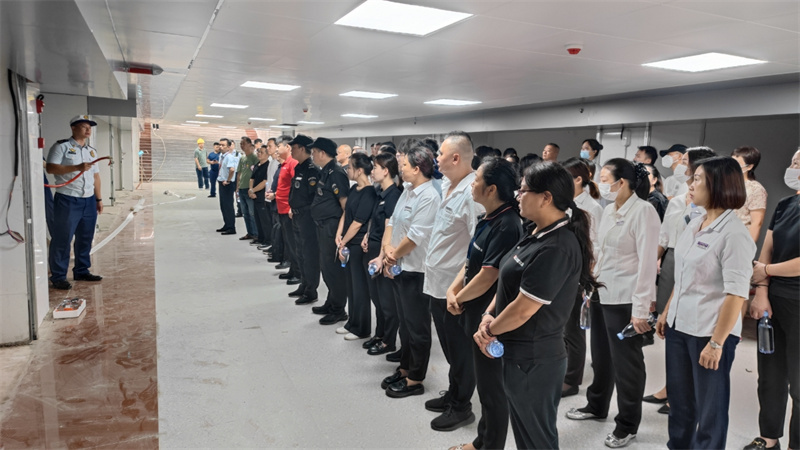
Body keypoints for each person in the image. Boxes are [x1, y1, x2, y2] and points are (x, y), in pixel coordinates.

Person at [473, 161, 600, 450]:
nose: (517, 196)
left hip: (535, 360)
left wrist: (489, 330)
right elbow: (508, 281)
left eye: (523, 190)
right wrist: (488, 314)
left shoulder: (557, 246)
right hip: (518, 354)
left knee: (537, 440)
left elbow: (523, 309)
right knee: (526, 436)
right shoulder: (535, 231)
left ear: (546, 197)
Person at [655, 156, 755, 449]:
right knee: (680, 403)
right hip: (680, 325)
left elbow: (736, 294)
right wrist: (667, 311)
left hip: (710, 332)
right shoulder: (696, 222)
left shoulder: (734, 234)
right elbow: (683, 274)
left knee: (710, 409)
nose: (691, 184)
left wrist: (716, 343)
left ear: (717, 185)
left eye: (697, 179)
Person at [566, 158, 660, 449]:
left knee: (627, 364)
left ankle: (627, 424)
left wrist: (641, 309)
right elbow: (601, 251)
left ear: (622, 182)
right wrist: (590, 283)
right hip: (602, 293)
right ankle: (596, 405)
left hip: (626, 299)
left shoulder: (643, 211)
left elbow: (647, 263)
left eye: (605, 178)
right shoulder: (609, 210)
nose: (601, 183)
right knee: (601, 356)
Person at [446, 157, 522, 450]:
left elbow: (489, 276)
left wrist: (459, 297)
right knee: (486, 387)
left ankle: (490, 445)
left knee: (493, 390)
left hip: (489, 317)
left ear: (491, 189)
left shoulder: (508, 224)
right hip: (472, 308)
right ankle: (482, 442)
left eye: (476, 179)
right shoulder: (487, 219)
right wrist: (454, 290)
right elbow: (471, 263)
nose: (472, 184)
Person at [645, 147, 716, 412]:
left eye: (686, 161)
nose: (681, 165)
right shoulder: (676, 198)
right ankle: (670, 386)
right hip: (673, 258)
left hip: (697, 259)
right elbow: (665, 236)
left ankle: (683, 393)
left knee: (690, 330)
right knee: (670, 327)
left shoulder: (707, 200)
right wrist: (651, 264)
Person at [423, 131, 481, 431]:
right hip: (436, 283)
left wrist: (461, 289)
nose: (437, 158)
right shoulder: (447, 185)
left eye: (441, 154)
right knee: (448, 347)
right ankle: (453, 393)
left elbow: (477, 248)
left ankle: (461, 407)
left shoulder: (472, 194)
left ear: (456, 158)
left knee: (460, 351)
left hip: (454, 289)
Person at [745, 149, 800, 450]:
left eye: (798, 163)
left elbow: (767, 265)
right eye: (792, 161)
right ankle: (769, 438)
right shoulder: (785, 204)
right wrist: (762, 291)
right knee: (770, 375)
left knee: (799, 381)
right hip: (774, 298)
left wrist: (765, 270)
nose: (792, 167)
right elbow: (767, 246)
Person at [381, 145, 441, 399]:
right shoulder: (407, 190)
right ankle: (405, 368)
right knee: (405, 325)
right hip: (399, 266)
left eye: (404, 165)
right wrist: (387, 249)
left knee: (417, 328)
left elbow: (416, 237)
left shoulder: (429, 197)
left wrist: (393, 255)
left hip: (416, 270)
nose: (400, 168)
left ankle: (415, 379)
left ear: (417, 169)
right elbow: (392, 221)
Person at [46, 115, 105, 290]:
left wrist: (98, 199)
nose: (88, 130)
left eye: (90, 127)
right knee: (63, 238)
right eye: (84, 126)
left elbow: (96, 177)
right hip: (68, 199)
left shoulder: (91, 151)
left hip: (88, 200)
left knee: (85, 237)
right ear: (73, 128)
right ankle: (58, 276)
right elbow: (50, 168)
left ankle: (81, 270)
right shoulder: (61, 147)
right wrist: (76, 167)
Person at [560, 157, 603, 398]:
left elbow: (594, 246)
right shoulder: (566, 202)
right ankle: (564, 371)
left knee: (574, 330)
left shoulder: (592, 207)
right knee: (564, 328)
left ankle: (571, 380)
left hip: (579, 273)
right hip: (563, 270)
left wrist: (587, 278)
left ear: (578, 180)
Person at [363, 153, 403, 355]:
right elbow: (375, 221)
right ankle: (379, 334)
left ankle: (389, 340)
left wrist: (381, 257)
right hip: (373, 247)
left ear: (386, 170)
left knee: (387, 301)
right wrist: (367, 235)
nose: (372, 171)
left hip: (382, 252)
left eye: (375, 168)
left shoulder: (393, 195)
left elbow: (389, 229)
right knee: (377, 297)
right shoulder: (380, 192)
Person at [308, 137, 351, 325]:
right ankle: (331, 302)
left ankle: (338, 309)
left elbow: (345, 206)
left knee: (333, 270)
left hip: (332, 227)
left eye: (314, 152)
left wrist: (340, 233)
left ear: (323, 153)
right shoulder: (325, 171)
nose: (312, 156)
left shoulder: (336, 173)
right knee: (325, 267)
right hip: (322, 226)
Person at [336, 153, 378, 340]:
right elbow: (346, 214)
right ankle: (351, 322)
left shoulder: (369, 193)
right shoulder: (354, 189)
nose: (348, 171)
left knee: (360, 288)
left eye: (350, 167)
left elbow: (358, 222)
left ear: (359, 170)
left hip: (357, 246)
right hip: (347, 242)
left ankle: (361, 327)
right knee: (351, 286)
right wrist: (339, 235)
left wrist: (343, 241)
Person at [288, 134, 321, 305]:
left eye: (294, 148)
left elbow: (314, 198)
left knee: (309, 255)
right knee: (300, 252)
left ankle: (311, 290)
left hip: (307, 217)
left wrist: (304, 212)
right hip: (297, 215)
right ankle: (304, 284)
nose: (291, 151)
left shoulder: (312, 170)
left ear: (302, 148)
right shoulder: (299, 167)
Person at [273, 136, 301, 285]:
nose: (277, 149)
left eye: (279, 146)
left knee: (293, 243)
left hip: (288, 209)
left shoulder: (292, 163)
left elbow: (296, 188)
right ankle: (292, 270)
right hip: (281, 208)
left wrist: (292, 206)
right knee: (288, 242)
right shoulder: (285, 163)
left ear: (288, 147)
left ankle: (298, 273)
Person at [732, 146, 768, 242]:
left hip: (737, 240)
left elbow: (756, 223)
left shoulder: (756, 189)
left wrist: (748, 248)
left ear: (749, 166)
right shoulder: (724, 184)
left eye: (736, 164)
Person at [249, 143, 272, 251]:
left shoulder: (268, 166)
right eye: (258, 152)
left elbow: (265, 182)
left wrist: (253, 190)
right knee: (257, 219)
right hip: (254, 195)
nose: (259, 154)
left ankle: (268, 240)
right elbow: (252, 178)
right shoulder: (257, 165)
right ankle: (260, 238)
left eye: (261, 152)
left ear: (267, 154)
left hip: (262, 196)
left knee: (265, 220)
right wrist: (250, 190)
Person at [236, 137, 259, 241]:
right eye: (241, 144)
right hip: (242, 188)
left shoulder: (254, 158)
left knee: (252, 213)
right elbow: (239, 173)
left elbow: (257, 174)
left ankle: (256, 234)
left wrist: (253, 189)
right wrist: (237, 187)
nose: (242, 145)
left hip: (249, 189)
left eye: (244, 143)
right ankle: (250, 233)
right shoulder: (242, 158)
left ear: (250, 144)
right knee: (245, 213)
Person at [216, 138, 238, 235]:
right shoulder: (221, 156)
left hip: (227, 184)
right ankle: (227, 224)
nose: (220, 147)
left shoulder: (229, 157)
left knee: (228, 206)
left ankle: (231, 227)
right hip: (222, 182)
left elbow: (232, 170)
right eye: (220, 145)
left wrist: (228, 180)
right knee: (223, 205)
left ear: (228, 147)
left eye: (223, 145)